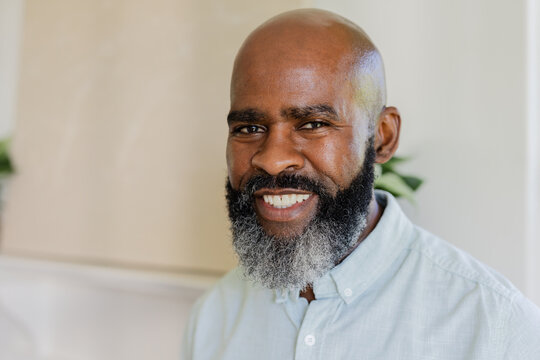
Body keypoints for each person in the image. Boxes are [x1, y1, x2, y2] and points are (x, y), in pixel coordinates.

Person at [182, 8, 540, 359]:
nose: (272, 159)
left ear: (382, 137)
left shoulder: (494, 328)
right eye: (249, 129)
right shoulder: (215, 317)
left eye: (313, 124)